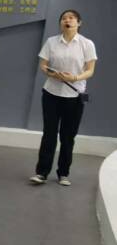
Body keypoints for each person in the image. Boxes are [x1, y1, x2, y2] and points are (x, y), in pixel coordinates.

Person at [30, 10, 97, 186]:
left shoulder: (86, 44)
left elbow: (90, 70)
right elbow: (43, 65)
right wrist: (52, 73)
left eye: (71, 18)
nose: (67, 20)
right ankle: (41, 173)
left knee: (68, 136)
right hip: (51, 93)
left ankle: (63, 174)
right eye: (64, 18)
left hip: (74, 96)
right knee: (49, 134)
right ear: (60, 23)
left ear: (79, 23)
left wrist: (74, 77)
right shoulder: (51, 41)